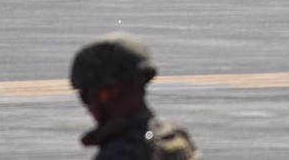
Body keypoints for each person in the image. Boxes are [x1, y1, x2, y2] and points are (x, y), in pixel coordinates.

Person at [70, 32, 203, 159]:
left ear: (107, 94)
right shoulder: (175, 138)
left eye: (86, 97)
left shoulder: (121, 153)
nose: (88, 108)